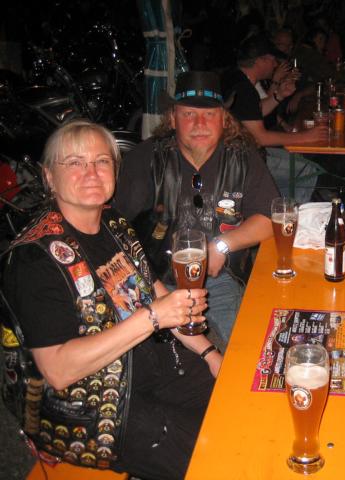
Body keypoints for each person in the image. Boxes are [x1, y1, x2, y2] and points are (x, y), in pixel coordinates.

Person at [0, 120, 221, 479]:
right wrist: (152, 317)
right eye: (75, 162)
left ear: (115, 172)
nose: (91, 172)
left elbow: (155, 291)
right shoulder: (33, 259)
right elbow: (58, 370)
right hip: (90, 408)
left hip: (148, 365)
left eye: (102, 161)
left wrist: (210, 353)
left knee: (237, 405)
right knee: (214, 460)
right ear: (49, 177)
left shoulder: (112, 221)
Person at [112, 70, 279, 351]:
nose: (200, 124)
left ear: (224, 119)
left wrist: (222, 245)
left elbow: (270, 218)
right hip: (155, 280)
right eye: (189, 114)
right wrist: (150, 285)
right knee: (149, 360)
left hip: (219, 280)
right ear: (172, 118)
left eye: (209, 114)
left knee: (250, 351)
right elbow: (114, 227)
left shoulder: (242, 158)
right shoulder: (146, 159)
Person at [222, 34, 328, 203]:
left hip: (238, 154)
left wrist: (279, 96)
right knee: (308, 170)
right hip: (242, 161)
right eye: (272, 59)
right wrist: (306, 136)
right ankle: (289, 213)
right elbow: (260, 137)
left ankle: (277, 204)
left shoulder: (234, 76)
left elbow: (254, 112)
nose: (275, 64)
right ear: (260, 60)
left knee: (298, 160)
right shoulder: (244, 89)